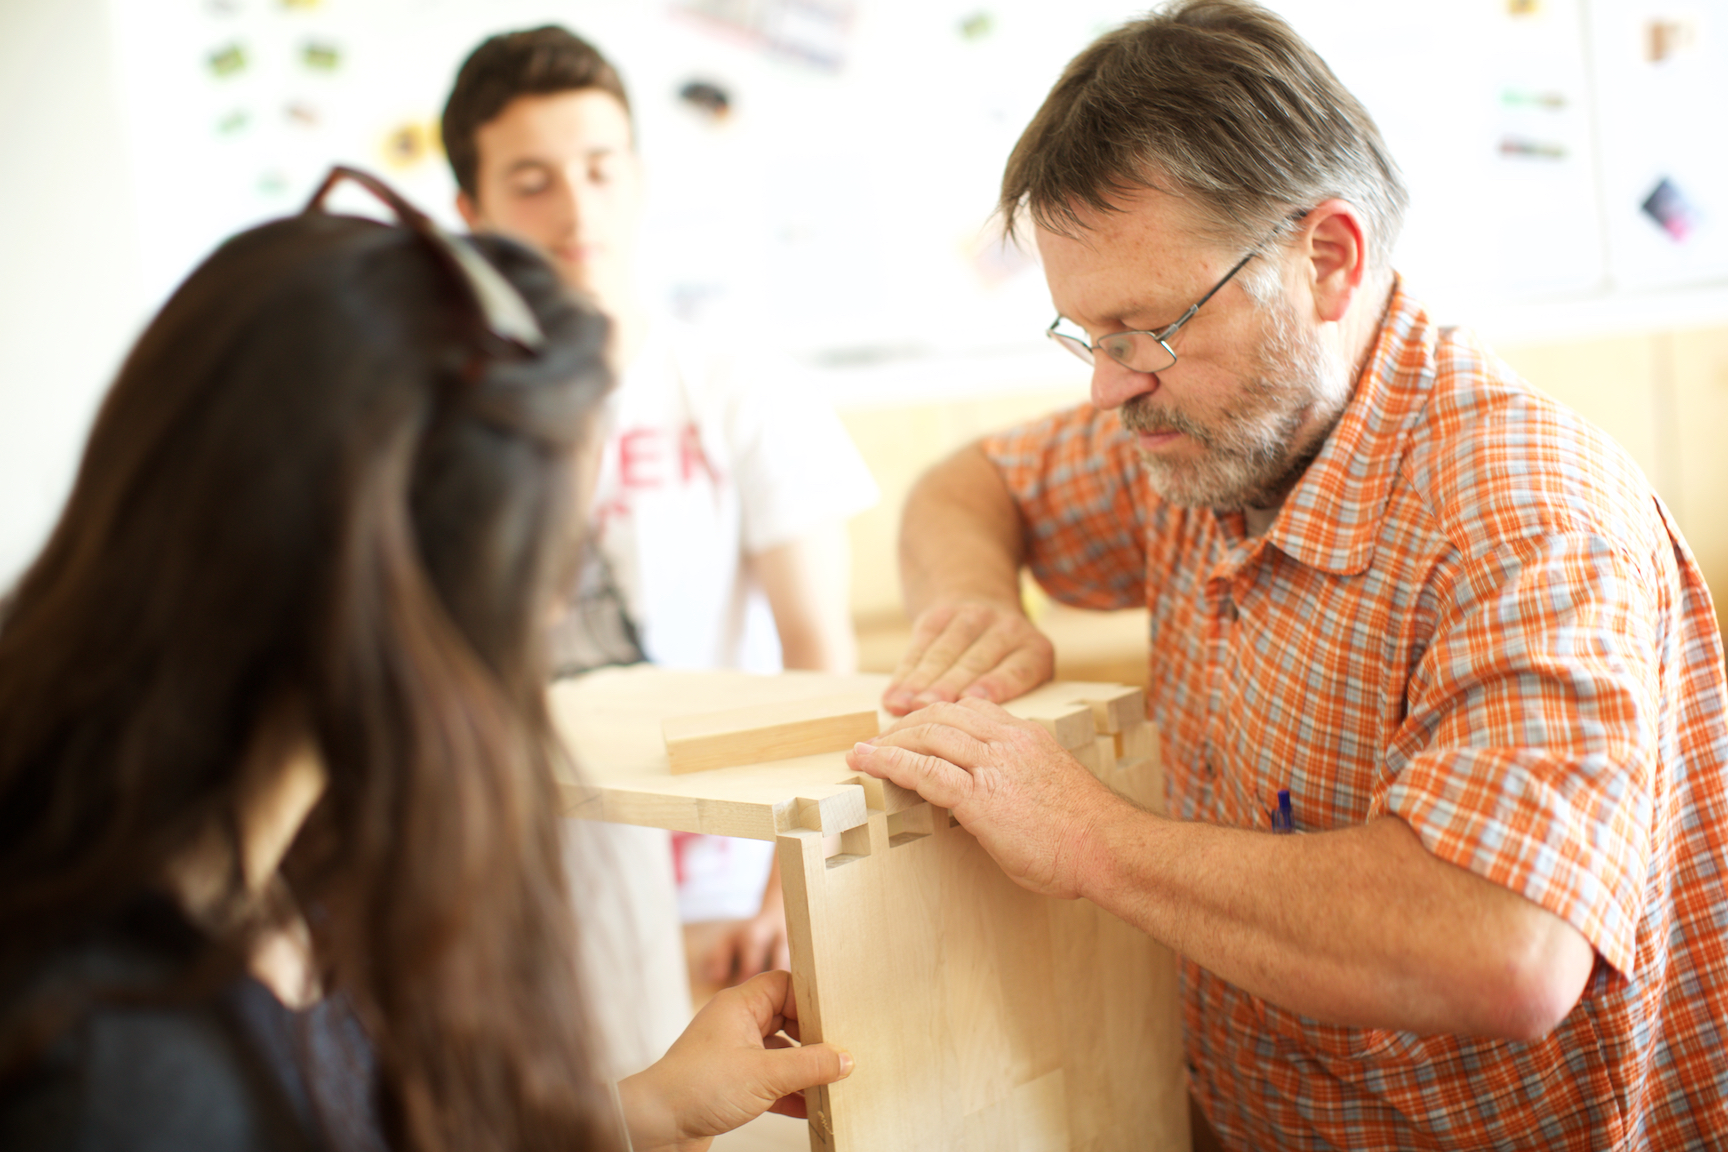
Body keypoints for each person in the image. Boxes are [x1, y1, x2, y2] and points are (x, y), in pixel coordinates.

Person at [846, 3, 1728, 1148]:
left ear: (1329, 260)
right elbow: (966, 487)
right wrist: (969, 602)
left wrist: (1088, 836)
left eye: (1147, 327)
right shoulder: (1212, 431)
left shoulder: (1524, 518)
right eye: (1087, 336)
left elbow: (1507, 949)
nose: (1111, 387)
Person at [0, 166, 851, 1152]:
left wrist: (637, 1113)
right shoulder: (125, 1083)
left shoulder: (267, 872)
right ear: (396, 595)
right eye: (554, 565)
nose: (548, 623)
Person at [441, 26, 878, 991]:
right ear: (471, 210)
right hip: (531, 889)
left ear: (638, 177)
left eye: (601, 169)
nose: (576, 208)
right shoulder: (443, 416)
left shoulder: (740, 385)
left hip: (730, 880)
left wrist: (782, 893)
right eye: (532, 181)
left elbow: (820, 653)